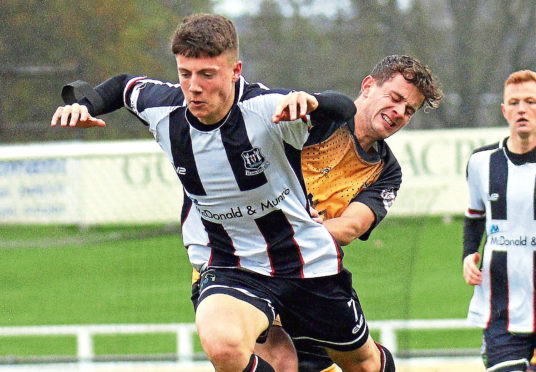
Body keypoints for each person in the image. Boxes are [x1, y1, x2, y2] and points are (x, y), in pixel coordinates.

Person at [51, 13, 396, 372]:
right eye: (185, 74)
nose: (194, 87)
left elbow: (344, 109)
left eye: (207, 75)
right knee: (224, 345)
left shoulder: (268, 109)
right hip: (230, 263)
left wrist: (312, 101)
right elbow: (123, 87)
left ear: (235, 71)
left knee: (365, 365)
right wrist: (86, 104)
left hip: (304, 260)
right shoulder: (163, 108)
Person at [463, 69, 536, 372]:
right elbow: (474, 217)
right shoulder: (481, 163)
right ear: (505, 110)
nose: (522, 109)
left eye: (531, 101)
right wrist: (468, 255)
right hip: (500, 312)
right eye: (515, 102)